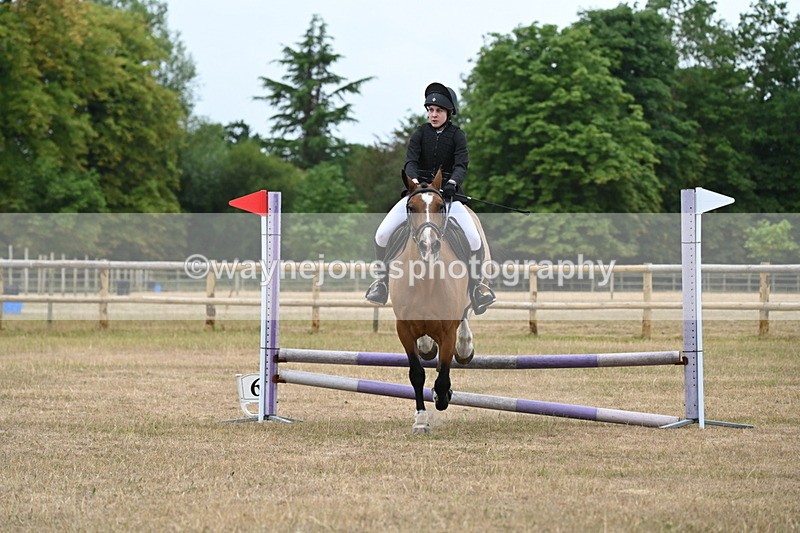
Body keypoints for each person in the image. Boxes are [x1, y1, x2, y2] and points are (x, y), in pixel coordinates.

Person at [364, 82, 496, 314]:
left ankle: (477, 288)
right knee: (382, 233)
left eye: (439, 111)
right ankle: (382, 283)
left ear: (449, 113)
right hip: (418, 196)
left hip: (447, 198)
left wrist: (452, 183)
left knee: (474, 239)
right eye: (431, 110)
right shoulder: (420, 133)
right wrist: (414, 183)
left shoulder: (458, 136)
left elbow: (461, 165)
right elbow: (410, 162)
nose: (433, 114)